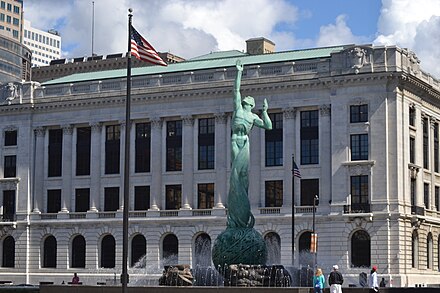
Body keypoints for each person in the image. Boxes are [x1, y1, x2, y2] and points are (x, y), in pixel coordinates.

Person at [227, 59, 272, 229]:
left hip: (245, 141)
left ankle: (242, 213)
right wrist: (239, 72)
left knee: (244, 174)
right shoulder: (237, 108)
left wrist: (266, 112)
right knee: (235, 173)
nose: (246, 98)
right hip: (235, 140)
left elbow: (268, 126)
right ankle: (236, 212)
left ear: (251, 105)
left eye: (249, 99)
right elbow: (236, 89)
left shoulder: (253, 117)